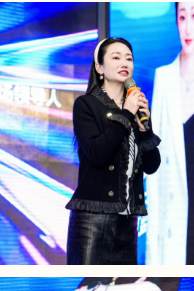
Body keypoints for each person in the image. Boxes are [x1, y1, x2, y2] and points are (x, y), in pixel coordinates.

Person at [67, 37, 162, 265]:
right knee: (89, 280)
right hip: (92, 220)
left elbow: (152, 166)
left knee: (122, 283)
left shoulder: (137, 108)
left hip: (128, 221)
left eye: (128, 58)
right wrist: (126, 114)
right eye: (116, 57)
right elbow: (97, 153)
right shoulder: (86, 104)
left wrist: (144, 129)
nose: (124, 63)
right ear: (100, 68)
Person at [147, 2, 194, 265]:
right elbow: (153, 172)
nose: (188, 27)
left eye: (193, 16)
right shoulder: (163, 79)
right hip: (173, 231)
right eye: (182, 17)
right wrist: (153, 258)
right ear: (176, 22)